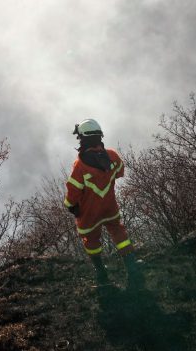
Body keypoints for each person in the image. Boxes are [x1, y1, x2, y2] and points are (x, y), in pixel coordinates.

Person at [64, 118, 143, 288]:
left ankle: (101, 273)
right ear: (100, 136)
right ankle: (131, 266)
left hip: (89, 214)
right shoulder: (113, 156)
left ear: (83, 138)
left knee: (91, 240)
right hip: (110, 207)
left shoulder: (80, 166)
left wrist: (70, 205)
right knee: (118, 232)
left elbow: (72, 192)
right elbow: (120, 172)